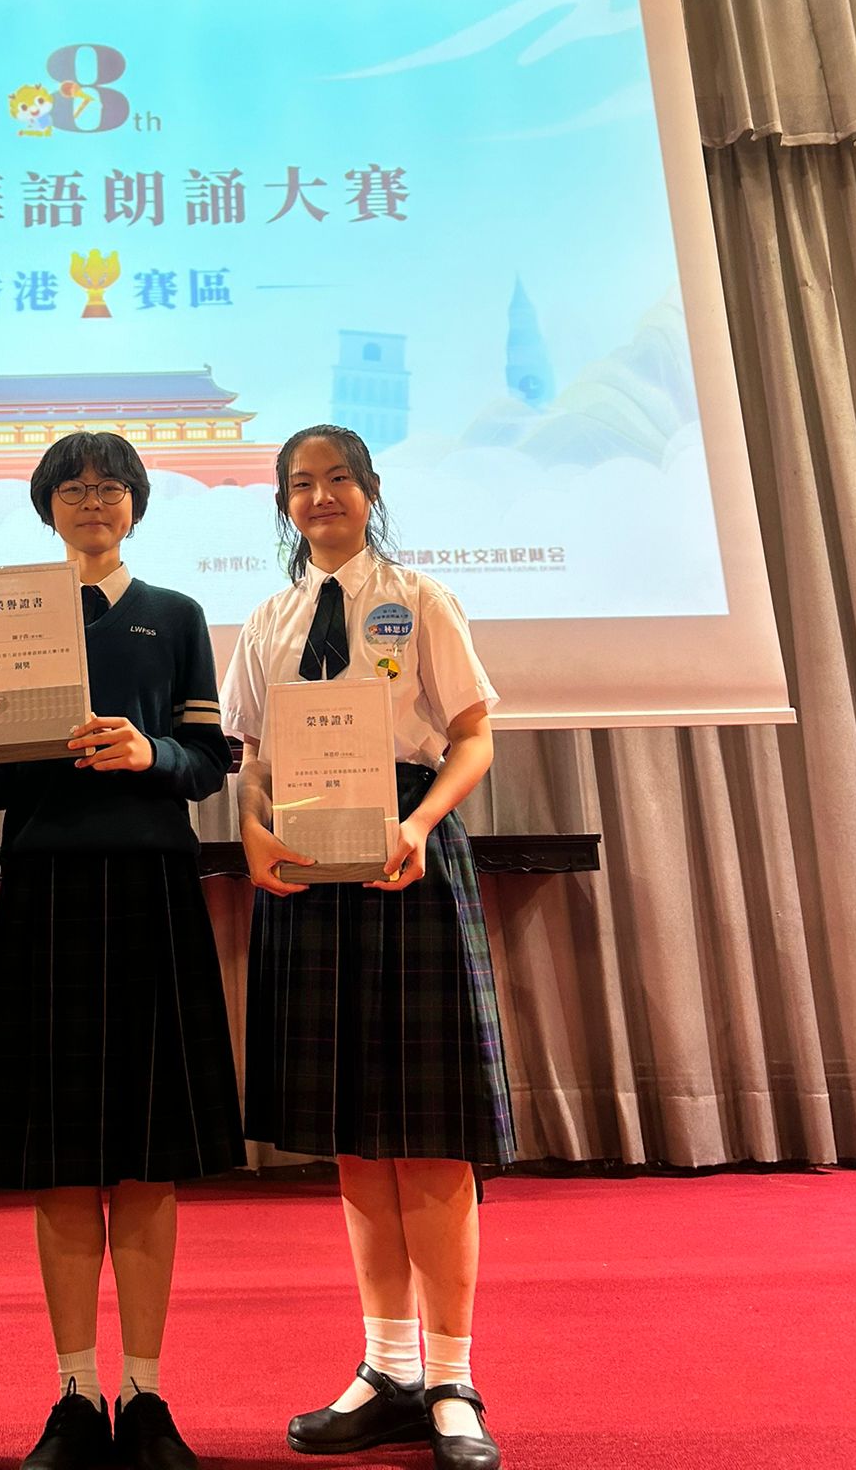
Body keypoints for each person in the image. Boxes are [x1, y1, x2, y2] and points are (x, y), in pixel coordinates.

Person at [0, 433, 245, 1470]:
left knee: (150, 1160)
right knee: (63, 1159)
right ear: (45, 506)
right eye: (70, 488)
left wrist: (146, 750)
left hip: (154, 887)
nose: (90, 501)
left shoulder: (178, 613)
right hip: (44, 891)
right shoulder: (7, 617)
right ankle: (75, 1392)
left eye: (108, 487)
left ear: (136, 503)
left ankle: (145, 1394)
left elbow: (205, 760)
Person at [222, 425, 514, 1470]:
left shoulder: (420, 598)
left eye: (338, 478)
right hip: (308, 862)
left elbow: (473, 733)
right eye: (300, 484)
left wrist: (422, 823)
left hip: (406, 853)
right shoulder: (268, 618)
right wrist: (251, 830)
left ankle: (451, 1379)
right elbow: (253, 759)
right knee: (352, 1130)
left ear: (370, 488)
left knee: (430, 1131)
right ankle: (386, 1367)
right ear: (283, 504)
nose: (320, 497)